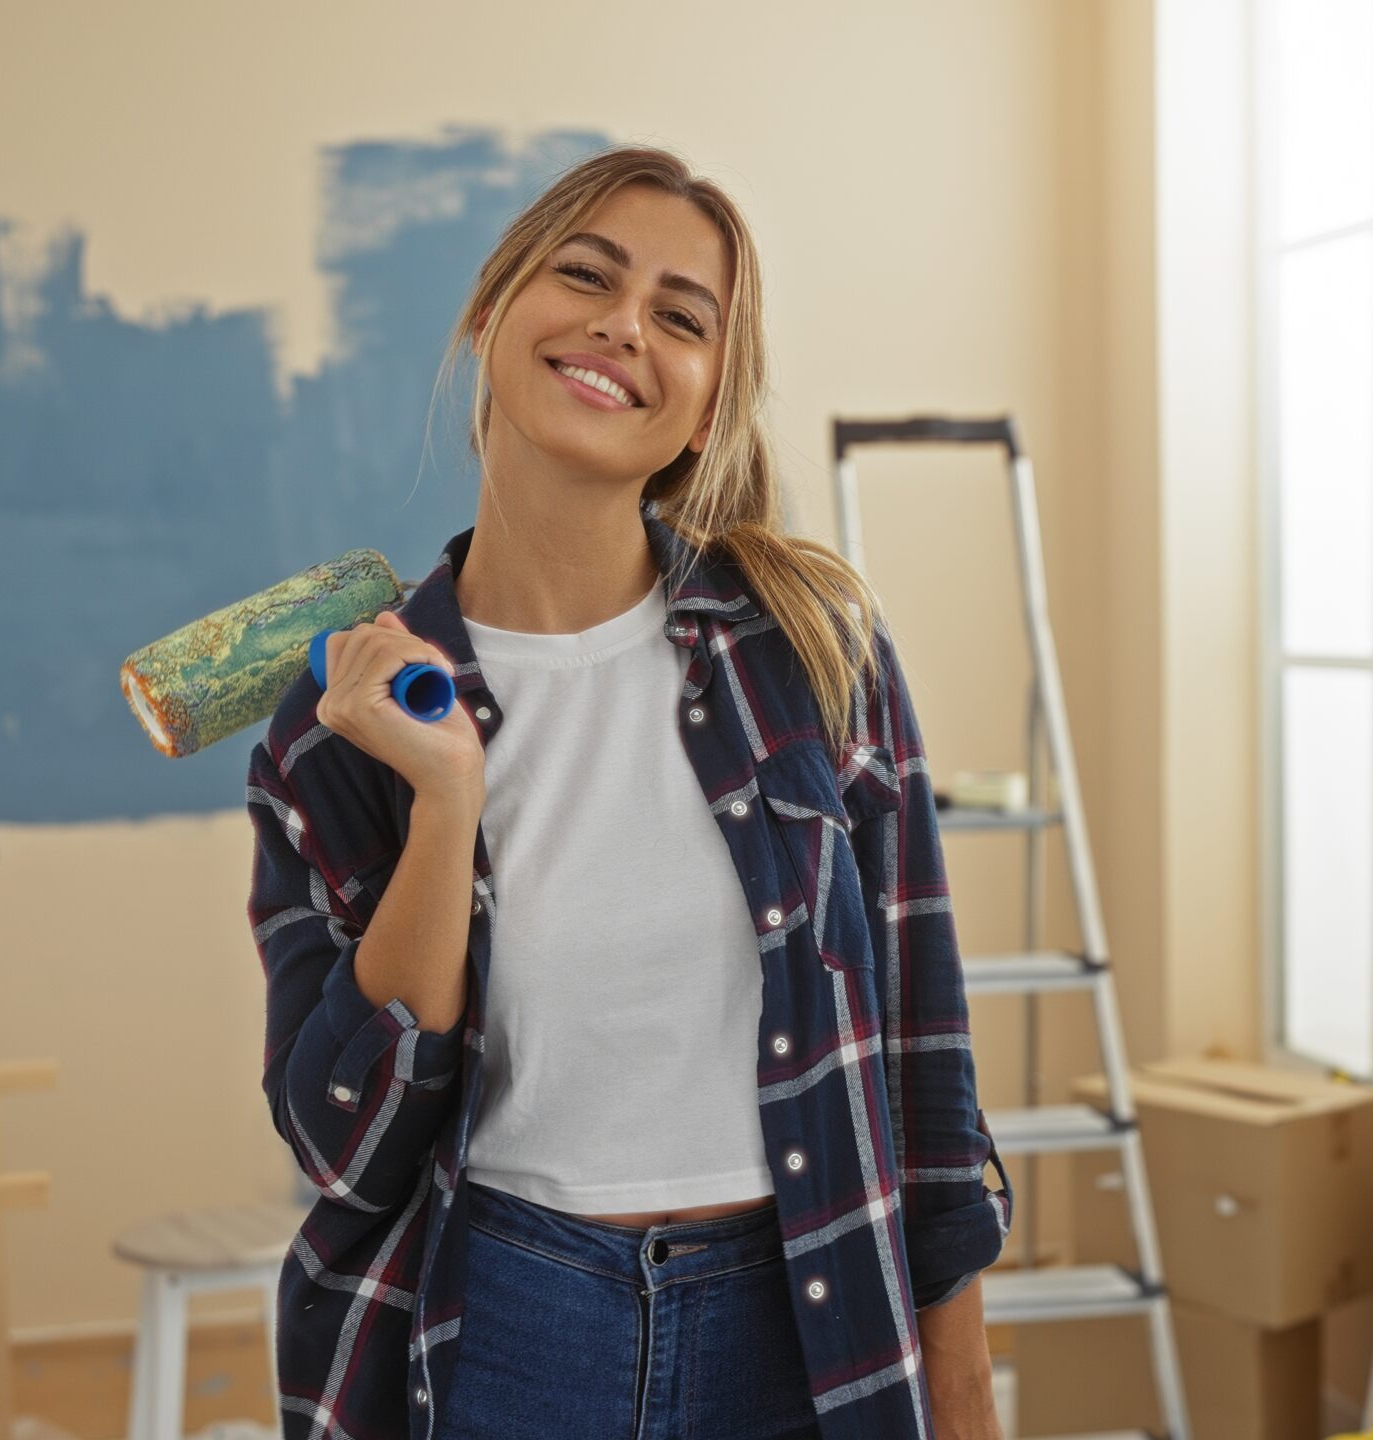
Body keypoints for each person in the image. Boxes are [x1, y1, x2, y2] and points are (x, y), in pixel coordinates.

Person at [245, 145, 1013, 1440]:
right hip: (498, 1332)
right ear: (491, 317)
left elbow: (929, 1089)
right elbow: (344, 1150)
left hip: (800, 1327)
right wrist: (445, 802)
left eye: (680, 316)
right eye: (586, 276)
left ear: (708, 405)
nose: (622, 326)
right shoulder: (342, 725)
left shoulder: (816, 655)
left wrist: (969, 1411)